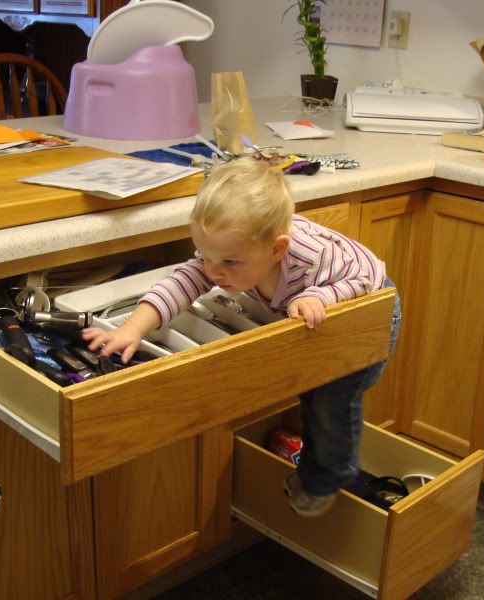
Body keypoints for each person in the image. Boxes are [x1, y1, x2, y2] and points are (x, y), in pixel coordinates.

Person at [83, 157, 401, 517]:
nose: (214, 272)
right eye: (206, 256)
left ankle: (326, 478)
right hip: (318, 310)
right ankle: (317, 459)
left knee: (332, 398)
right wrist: (133, 327)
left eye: (230, 263)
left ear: (277, 249)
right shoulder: (225, 254)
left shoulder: (311, 258)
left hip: (369, 310)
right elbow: (183, 282)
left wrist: (319, 296)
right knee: (310, 392)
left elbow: (365, 277)